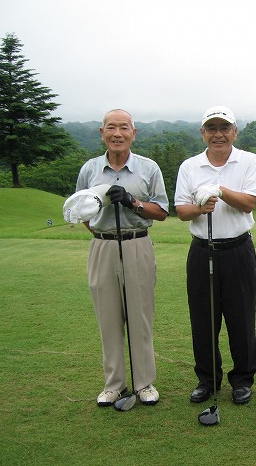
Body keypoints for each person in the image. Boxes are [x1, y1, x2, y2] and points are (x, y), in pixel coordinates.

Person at [75, 109, 169, 407]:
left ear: (133, 133)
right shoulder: (90, 169)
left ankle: (144, 383)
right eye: (111, 128)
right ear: (102, 132)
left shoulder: (149, 168)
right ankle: (114, 384)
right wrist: (100, 232)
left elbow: (162, 212)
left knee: (140, 317)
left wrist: (132, 201)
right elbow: (80, 211)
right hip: (102, 246)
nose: (118, 133)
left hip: (137, 243)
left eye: (124, 128)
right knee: (108, 318)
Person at [174, 106, 256, 406]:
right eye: (211, 128)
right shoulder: (190, 166)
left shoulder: (249, 161)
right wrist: (200, 208)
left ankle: (242, 379)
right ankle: (207, 379)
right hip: (202, 250)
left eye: (224, 128)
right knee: (203, 318)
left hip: (238, 250)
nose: (218, 134)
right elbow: (181, 210)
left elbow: (249, 203)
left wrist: (220, 190)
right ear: (203, 133)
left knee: (241, 318)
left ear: (235, 132)